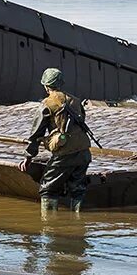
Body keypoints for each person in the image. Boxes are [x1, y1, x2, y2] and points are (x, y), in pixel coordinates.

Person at [18, 68, 94, 213]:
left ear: (46, 86)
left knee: (48, 189)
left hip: (65, 154)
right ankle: (79, 224)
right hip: (84, 152)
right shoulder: (75, 101)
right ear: (60, 84)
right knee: (77, 190)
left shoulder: (47, 104)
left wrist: (28, 157)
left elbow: (36, 134)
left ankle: (50, 227)